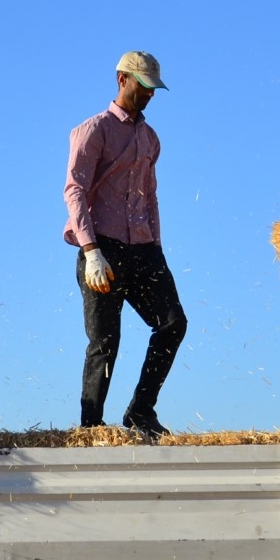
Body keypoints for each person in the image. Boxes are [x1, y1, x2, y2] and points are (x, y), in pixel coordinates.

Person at [62, 50, 188, 439]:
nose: (149, 95)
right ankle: (91, 428)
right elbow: (75, 189)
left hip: (145, 249)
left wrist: (158, 247)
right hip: (102, 250)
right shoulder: (93, 130)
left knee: (173, 324)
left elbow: (150, 198)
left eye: (154, 89)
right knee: (105, 341)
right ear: (122, 80)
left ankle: (140, 411)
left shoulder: (150, 139)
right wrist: (91, 251)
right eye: (143, 87)